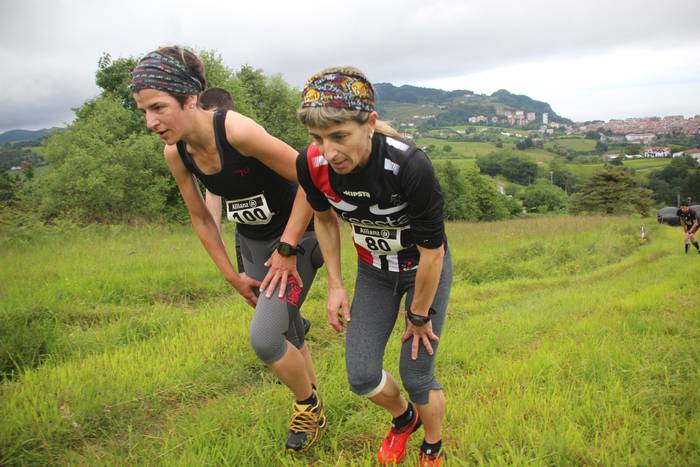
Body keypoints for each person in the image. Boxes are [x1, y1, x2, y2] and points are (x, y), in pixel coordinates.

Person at [129, 47, 325, 452]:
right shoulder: (177, 152)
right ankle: (308, 383)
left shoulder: (238, 132)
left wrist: (288, 248)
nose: (151, 122)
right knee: (285, 326)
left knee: (266, 338)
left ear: (189, 98)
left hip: (297, 238)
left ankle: (310, 407)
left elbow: (311, 179)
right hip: (253, 244)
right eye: (144, 111)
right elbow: (202, 218)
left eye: (159, 107)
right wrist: (230, 274)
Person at [295, 67, 452, 466]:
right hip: (375, 273)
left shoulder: (409, 165)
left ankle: (432, 444)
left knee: (416, 374)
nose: (329, 151)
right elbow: (325, 219)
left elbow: (433, 252)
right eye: (318, 138)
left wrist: (418, 316)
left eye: (339, 136)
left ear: (368, 124)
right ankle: (404, 420)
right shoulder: (312, 164)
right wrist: (334, 285)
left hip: (423, 271)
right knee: (362, 376)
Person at [198, 87, 311, 336]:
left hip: (287, 227)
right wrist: (214, 234)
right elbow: (212, 192)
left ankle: (285, 331)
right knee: (259, 293)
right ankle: (294, 328)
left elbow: (303, 175)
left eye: (218, 118)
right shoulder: (201, 150)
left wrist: (288, 244)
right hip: (248, 232)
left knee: (273, 313)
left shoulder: (244, 136)